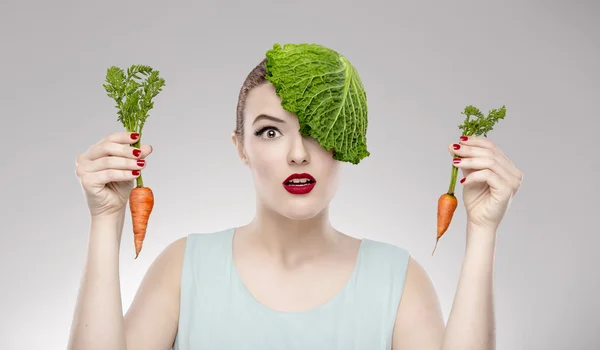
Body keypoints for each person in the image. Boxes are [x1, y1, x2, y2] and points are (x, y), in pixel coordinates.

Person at [68, 56, 523, 350]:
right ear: (241, 147)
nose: (298, 153)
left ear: (343, 143)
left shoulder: (397, 278)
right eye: (270, 131)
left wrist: (482, 231)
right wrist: (106, 219)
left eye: (316, 130)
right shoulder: (185, 266)